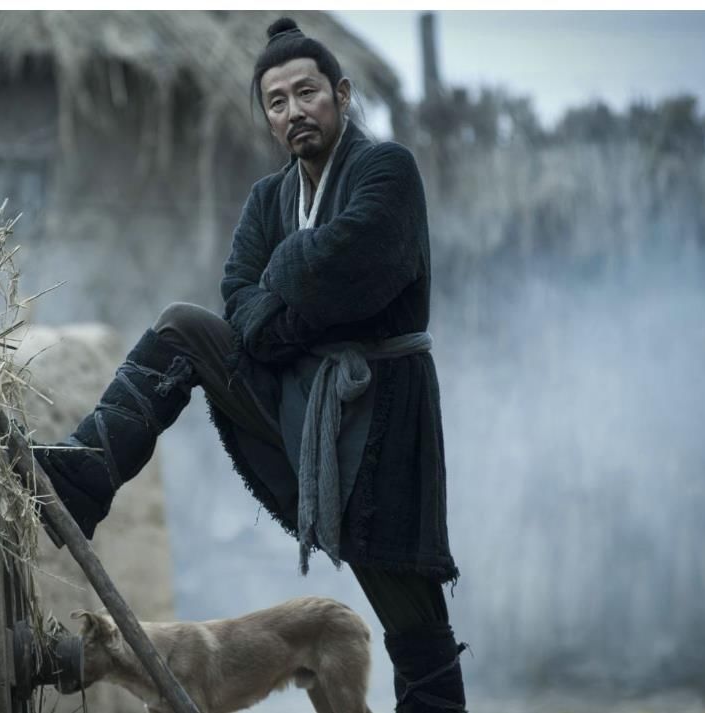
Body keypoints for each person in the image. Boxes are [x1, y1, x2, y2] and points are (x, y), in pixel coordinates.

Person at [35, 17, 468, 713]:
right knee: (182, 327)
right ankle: (83, 473)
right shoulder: (270, 199)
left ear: (341, 94)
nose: (294, 111)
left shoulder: (387, 170)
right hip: (295, 401)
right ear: (267, 117)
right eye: (277, 101)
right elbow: (240, 301)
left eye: (307, 93)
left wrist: (288, 270)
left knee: (410, 611)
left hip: (382, 410)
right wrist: (292, 304)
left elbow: (354, 265)